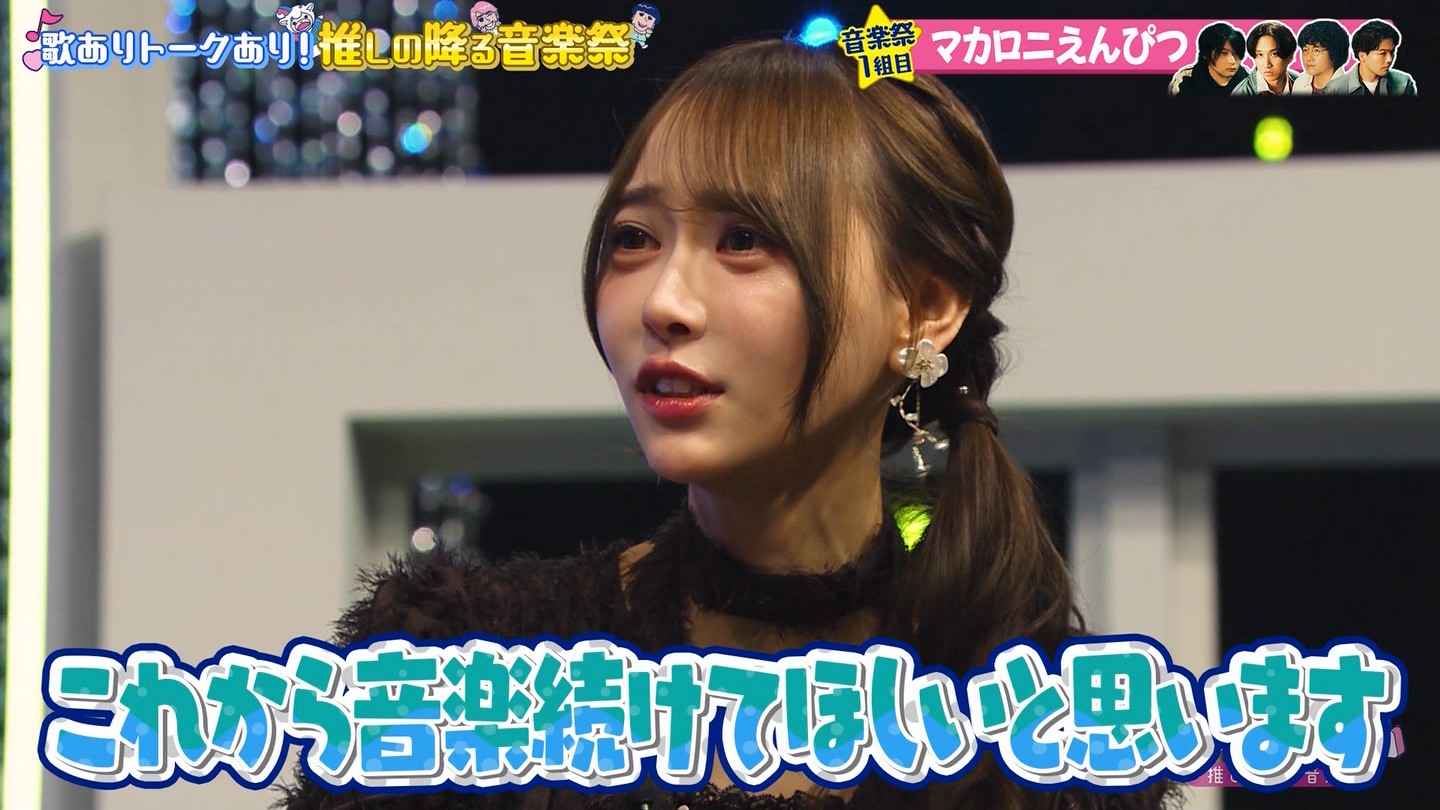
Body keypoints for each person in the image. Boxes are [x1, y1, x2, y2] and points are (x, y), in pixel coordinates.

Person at [274, 39, 1183, 810]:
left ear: (923, 308)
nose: (663, 301)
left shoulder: (1062, 740)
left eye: (744, 240)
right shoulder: (463, 671)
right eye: (635, 238)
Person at [1324, 19, 1418, 96]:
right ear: (1362, 56)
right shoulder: (1335, 89)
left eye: (1392, 52)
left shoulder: (1404, 84)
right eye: (1382, 53)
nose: (1389, 59)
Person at [1168, 21, 1249, 95]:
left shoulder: (1250, 79)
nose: (1232, 61)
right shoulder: (1187, 80)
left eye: (1236, 53)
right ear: (1206, 54)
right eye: (1223, 53)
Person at [1231, 21, 1300, 95]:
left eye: (1274, 54)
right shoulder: (1242, 92)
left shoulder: (1300, 83)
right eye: (1260, 55)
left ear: (1290, 57)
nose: (1267, 64)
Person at [1294, 19, 1349, 95]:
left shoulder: (1349, 88)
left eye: (1316, 50)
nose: (1309, 58)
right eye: (1305, 50)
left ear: (1334, 53)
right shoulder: (1299, 83)